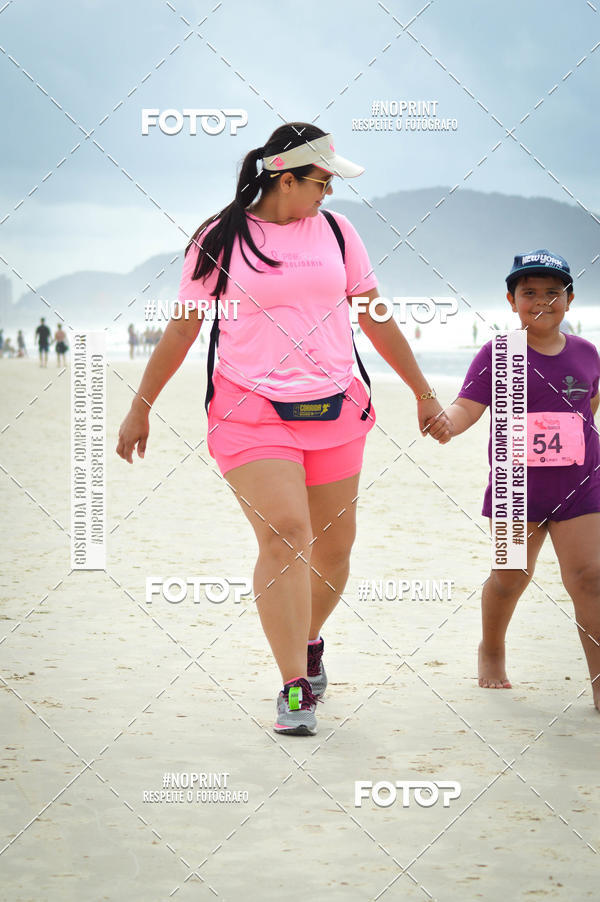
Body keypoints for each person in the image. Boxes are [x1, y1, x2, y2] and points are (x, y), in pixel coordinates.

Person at [116, 122, 444, 735]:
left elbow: (374, 317)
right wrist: (142, 405)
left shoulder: (340, 235)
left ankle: (309, 639)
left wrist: (424, 394)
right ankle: (295, 687)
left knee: (336, 549)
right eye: (322, 182)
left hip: (335, 406)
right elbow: (185, 328)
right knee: (287, 534)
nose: (328, 193)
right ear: (286, 179)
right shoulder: (221, 237)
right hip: (250, 410)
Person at [426, 250, 600, 711]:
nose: (541, 300)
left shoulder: (586, 352)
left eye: (552, 292)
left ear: (570, 299)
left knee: (590, 578)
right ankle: (493, 649)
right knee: (510, 576)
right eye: (529, 293)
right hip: (514, 490)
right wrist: (447, 422)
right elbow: (467, 406)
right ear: (511, 300)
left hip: (581, 486)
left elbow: (588, 406)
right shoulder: (499, 353)